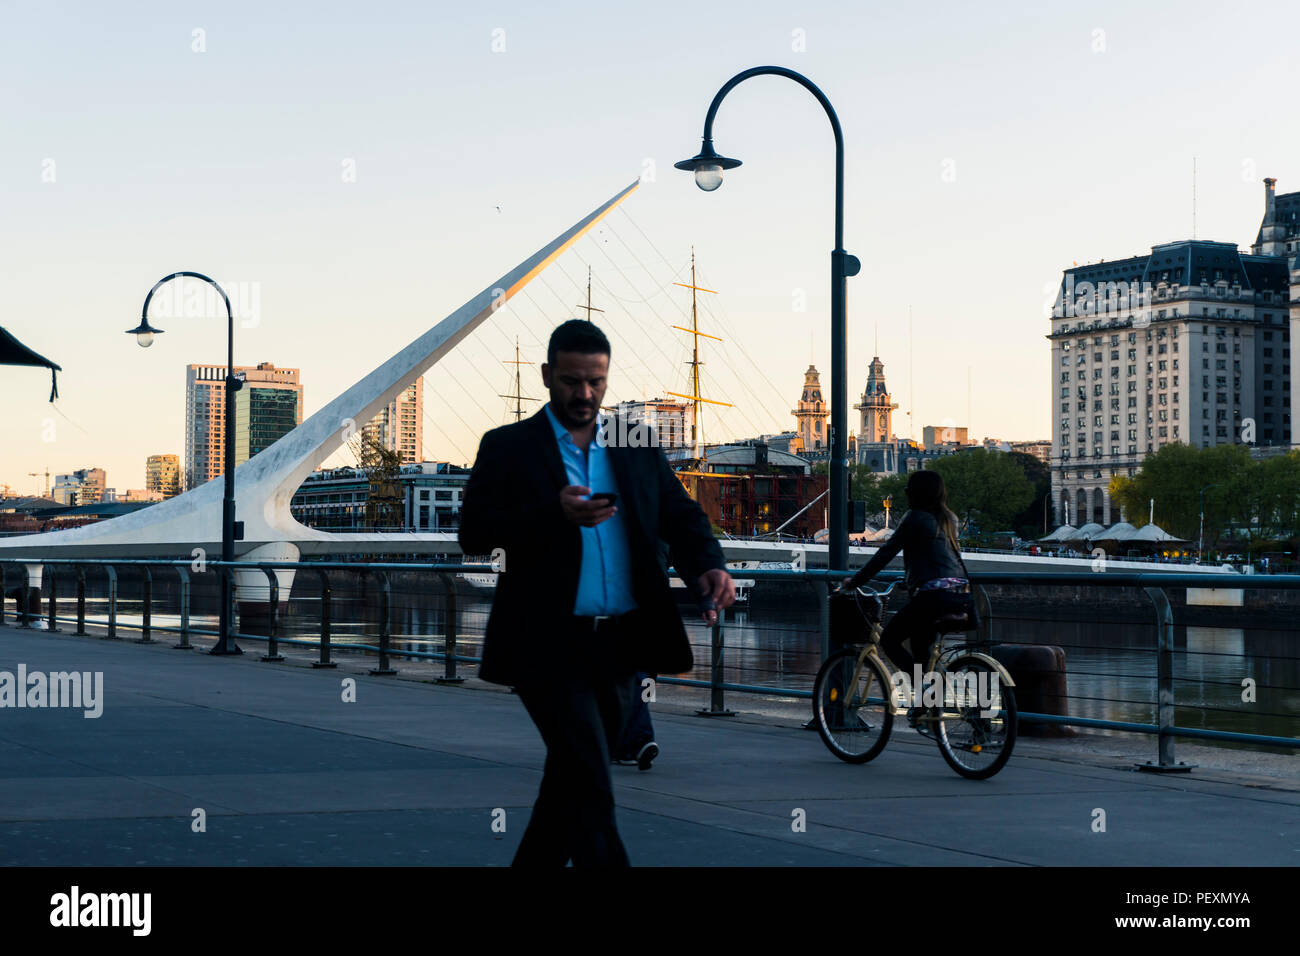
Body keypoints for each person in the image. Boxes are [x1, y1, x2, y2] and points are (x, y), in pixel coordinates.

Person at [459, 319, 734, 866]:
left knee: (570, 786)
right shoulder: (509, 446)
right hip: (545, 644)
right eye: (570, 381)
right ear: (546, 376)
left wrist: (708, 565)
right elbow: (474, 532)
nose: (584, 394)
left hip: (620, 646)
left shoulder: (634, 445)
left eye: (596, 381)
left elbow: (679, 516)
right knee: (591, 781)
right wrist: (552, 513)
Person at [837, 470, 972, 726]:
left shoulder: (916, 517)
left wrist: (854, 582)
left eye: (909, 488)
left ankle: (931, 693)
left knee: (889, 640)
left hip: (932, 596)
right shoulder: (948, 518)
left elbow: (885, 553)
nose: (905, 492)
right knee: (921, 650)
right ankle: (928, 710)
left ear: (916, 493)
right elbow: (937, 556)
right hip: (958, 594)